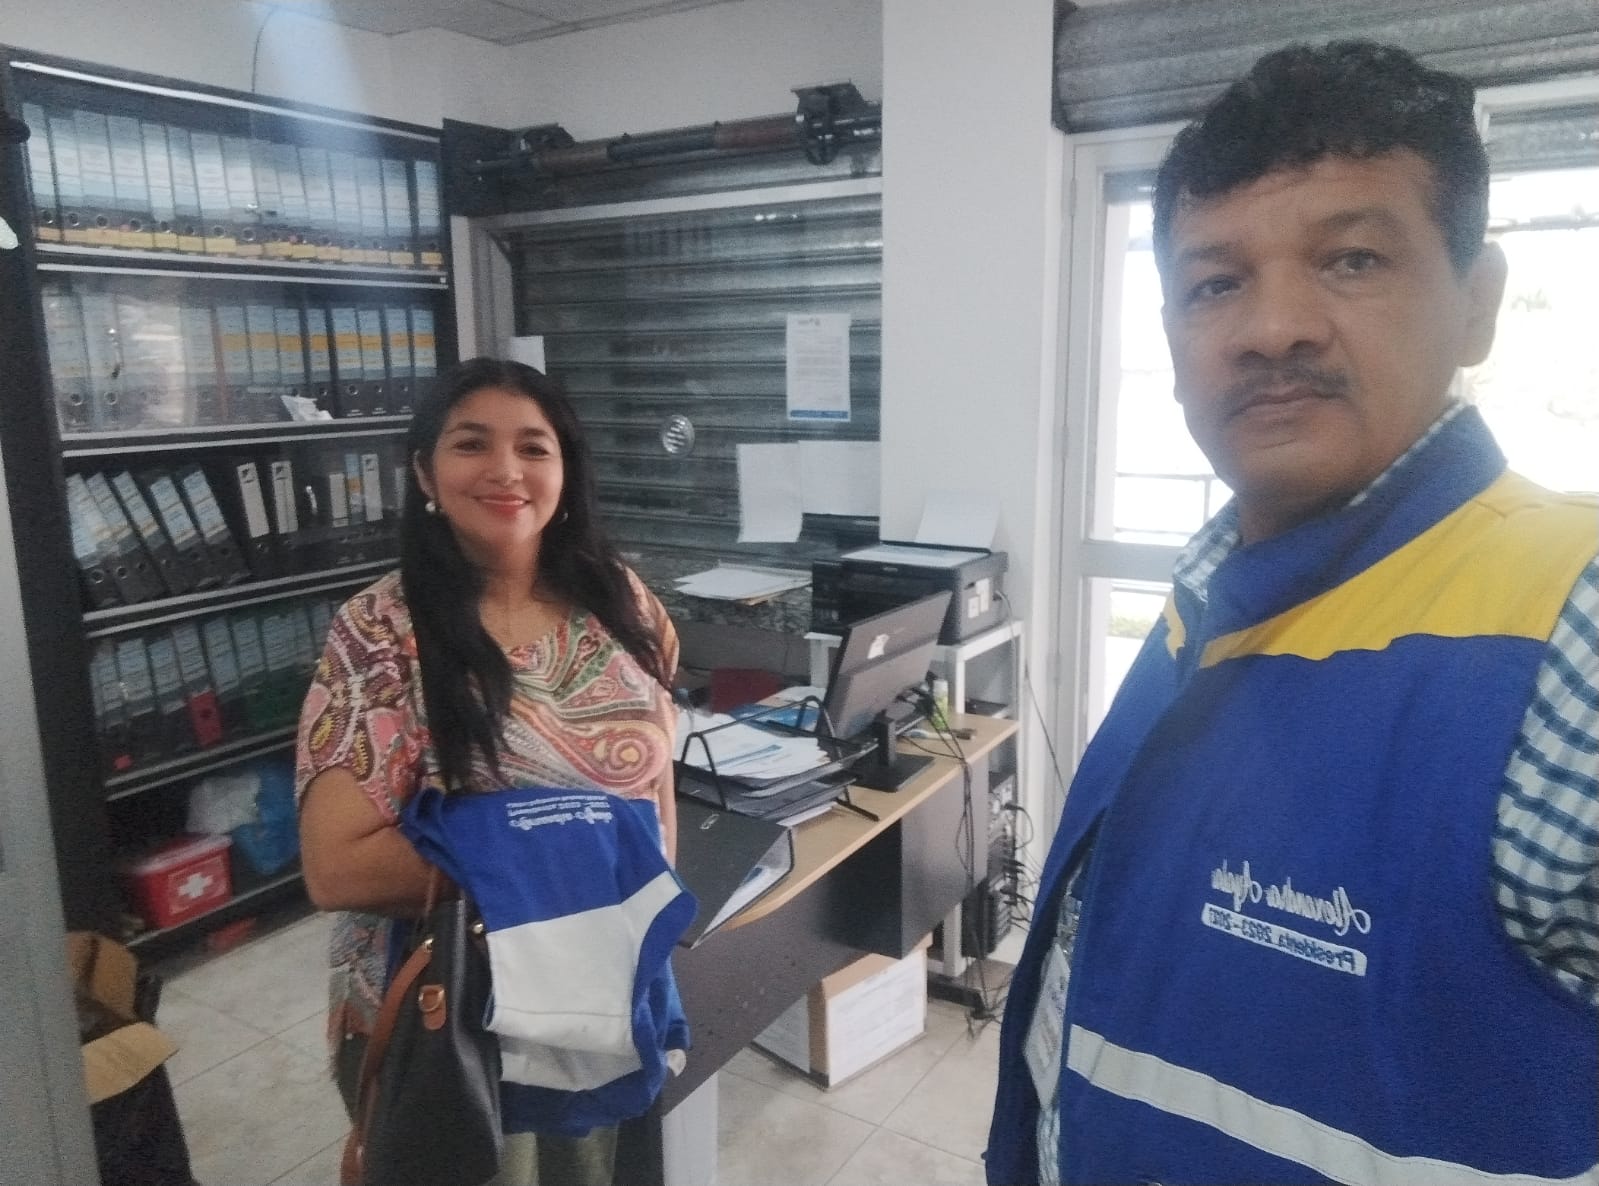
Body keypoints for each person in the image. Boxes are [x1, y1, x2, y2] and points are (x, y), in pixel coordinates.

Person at [989, 41, 1599, 1186]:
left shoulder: (1570, 621)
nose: (1272, 328)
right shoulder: (1213, 598)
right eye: (1216, 283)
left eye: (1352, 258)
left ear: (1477, 303)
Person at [296, 356, 680, 1186]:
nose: (506, 470)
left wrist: (647, 914)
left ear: (566, 472)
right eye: (472, 444)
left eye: (534, 448)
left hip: (590, 990)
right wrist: (584, 852)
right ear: (423, 473)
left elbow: (651, 784)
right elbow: (336, 867)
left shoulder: (622, 602)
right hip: (449, 1001)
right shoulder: (377, 632)